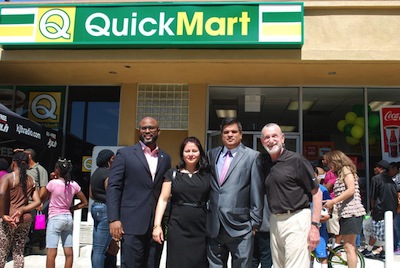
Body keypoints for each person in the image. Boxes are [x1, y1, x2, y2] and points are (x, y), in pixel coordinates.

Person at [107, 116, 171, 268]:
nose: (147, 131)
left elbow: (164, 191)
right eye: (144, 128)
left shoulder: (165, 158)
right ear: (139, 131)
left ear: (158, 131)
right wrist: (113, 219)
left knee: (152, 264)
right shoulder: (125, 154)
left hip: (156, 226)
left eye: (151, 128)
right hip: (131, 224)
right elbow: (114, 187)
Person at [260, 123, 322, 268]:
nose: (271, 140)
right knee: (279, 265)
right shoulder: (265, 163)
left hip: (297, 218)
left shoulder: (297, 161)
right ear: (262, 141)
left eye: (274, 136)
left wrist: (314, 226)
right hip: (275, 221)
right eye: (267, 137)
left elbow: (317, 193)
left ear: (282, 138)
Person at [207, 117, 264, 268]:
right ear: (221, 135)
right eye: (226, 132)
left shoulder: (252, 156)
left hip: (241, 226)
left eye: (233, 131)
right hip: (215, 226)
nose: (230, 135)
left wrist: (254, 223)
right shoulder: (212, 154)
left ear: (241, 134)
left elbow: (257, 191)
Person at [153, 136, 211, 267]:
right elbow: (163, 199)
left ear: (200, 153)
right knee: (177, 262)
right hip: (178, 226)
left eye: (194, 151)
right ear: (182, 153)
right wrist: (157, 226)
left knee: (199, 262)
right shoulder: (172, 174)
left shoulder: (207, 174)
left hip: (200, 227)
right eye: (187, 151)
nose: (191, 154)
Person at [41, 158, 88, 268]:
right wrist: (71, 208)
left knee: (52, 252)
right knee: (69, 252)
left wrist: (51, 180)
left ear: (57, 170)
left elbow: (42, 198)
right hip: (68, 218)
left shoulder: (52, 183)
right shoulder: (73, 184)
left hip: (55, 218)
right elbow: (85, 202)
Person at [323, 150, 366, 268]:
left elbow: (350, 190)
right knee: (349, 246)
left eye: (330, 163)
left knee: (349, 247)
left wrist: (333, 201)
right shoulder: (340, 174)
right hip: (346, 213)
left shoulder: (346, 170)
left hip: (352, 212)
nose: (329, 166)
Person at [0, 152, 41, 268]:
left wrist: (3, 215)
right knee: (18, 252)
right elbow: (38, 202)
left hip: (10, 218)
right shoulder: (30, 180)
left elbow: (1, 193)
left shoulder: (8, 178)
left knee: (2, 252)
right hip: (25, 219)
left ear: (13, 164)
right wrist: (23, 209)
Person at [360, 160, 397, 259]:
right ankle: (384, 251)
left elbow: (373, 196)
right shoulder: (391, 181)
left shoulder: (376, 179)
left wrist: (372, 209)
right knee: (385, 231)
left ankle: (368, 250)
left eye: (376, 167)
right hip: (391, 211)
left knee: (375, 231)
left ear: (381, 168)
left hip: (379, 210)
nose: (374, 169)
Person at [90, 149, 116, 268]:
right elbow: (111, 193)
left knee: (97, 247)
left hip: (96, 206)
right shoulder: (108, 173)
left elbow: (90, 194)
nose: (115, 161)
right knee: (100, 250)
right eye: (113, 158)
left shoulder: (95, 173)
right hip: (105, 209)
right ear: (108, 160)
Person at [311, 165, 332, 268]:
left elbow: (329, 204)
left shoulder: (322, 189)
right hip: (307, 222)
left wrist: (328, 215)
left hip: (320, 223)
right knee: (309, 249)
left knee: (321, 249)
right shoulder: (303, 188)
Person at [322, 153, 342, 247]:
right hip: (327, 201)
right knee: (330, 227)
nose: (322, 161)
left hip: (333, 201)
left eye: (324, 159)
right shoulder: (329, 172)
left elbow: (328, 187)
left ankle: (337, 247)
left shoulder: (333, 173)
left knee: (335, 226)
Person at [389, 162, 400, 255]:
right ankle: (396, 245)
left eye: (391, 168)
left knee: (396, 226)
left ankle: (398, 246)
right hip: (396, 206)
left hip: (398, 206)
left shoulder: (398, 178)